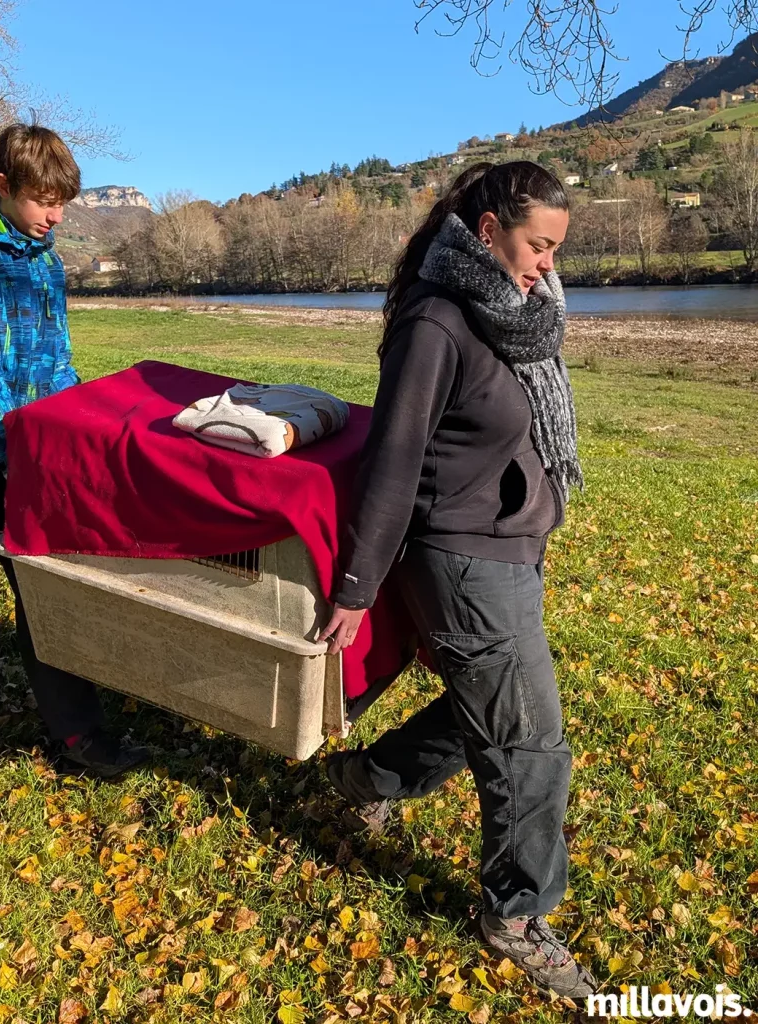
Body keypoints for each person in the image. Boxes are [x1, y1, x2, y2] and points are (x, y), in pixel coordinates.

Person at [318, 162, 595, 997]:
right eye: (535, 245)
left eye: (554, 249)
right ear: (486, 233)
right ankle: (513, 913)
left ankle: (366, 780)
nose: (546, 265)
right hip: (462, 555)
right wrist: (356, 587)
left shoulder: (516, 314)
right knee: (530, 745)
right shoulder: (437, 321)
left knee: (489, 707)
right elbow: (393, 461)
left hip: (508, 548)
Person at [0, 123, 150, 778]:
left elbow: (55, 366)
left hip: (30, 455)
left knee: (51, 596)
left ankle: (77, 738)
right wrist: (30, 459)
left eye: (62, 201)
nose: (56, 216)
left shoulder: (43, 263)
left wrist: (74, 439)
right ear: (4, 187)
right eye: (44, 201)